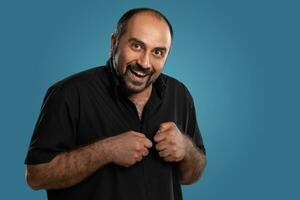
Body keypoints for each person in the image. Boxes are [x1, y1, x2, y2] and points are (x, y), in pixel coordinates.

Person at [25, 7, 207, 200]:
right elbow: (36, 176)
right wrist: (107, 151)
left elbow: (191, 175)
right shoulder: (69, 94)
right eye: (136, 46)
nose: (145, 63)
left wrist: (186, 149)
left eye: (158, 52)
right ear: (114, 43)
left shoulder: (179, 94)